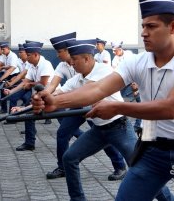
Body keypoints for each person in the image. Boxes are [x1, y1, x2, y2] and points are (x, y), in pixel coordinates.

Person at [32, 0, 174, 200]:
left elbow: (170, 108)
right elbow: (98, 89)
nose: (143, 33)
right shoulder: (136, 62)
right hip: (153, 151)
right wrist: (55, 102)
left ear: (173, 27)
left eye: (151, 26)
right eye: (143, 26)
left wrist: (118, 108)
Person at [46, 33, 127, 181]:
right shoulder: (68, 69)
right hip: (80, 105)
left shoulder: (101, 68)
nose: (59, 55)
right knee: (63, 134)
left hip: (109, 117)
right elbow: (56, 88)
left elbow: (88, 91)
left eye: (60, 52)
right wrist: (42, 99)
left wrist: (55, 101)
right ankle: (63, 167)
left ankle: (120, 166)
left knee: (107, 137)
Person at [5, 41, 55, 151]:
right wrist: (11, 91)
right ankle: (29, 143)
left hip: (52, 96)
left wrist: (30, 84)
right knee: (28, 116)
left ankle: (81, 136)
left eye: (28, 55)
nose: (26, 58)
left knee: (66, 122)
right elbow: (25, 82)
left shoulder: (45, 64)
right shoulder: (32, 65)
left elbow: (42, 83)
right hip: (38, 96)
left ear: (36, 55)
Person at [0, 42, 20, 114]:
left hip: (15, 75)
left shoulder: (13, 56)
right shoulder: (4, 55)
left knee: (15, 94)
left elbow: (10, 68)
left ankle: (15, 110)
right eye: (1, 49)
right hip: (8, 75)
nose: (2, 51)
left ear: (8, 48)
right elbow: (0, 64)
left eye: (4, 49)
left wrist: (1, 77)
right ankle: (4, 109)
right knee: (3, 91)